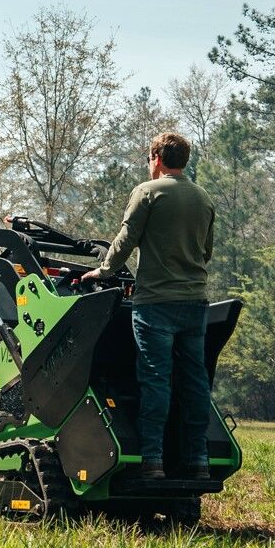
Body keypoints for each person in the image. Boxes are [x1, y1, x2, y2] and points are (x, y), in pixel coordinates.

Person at [81, 131, 216, 479]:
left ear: (156, 159)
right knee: (195, 381)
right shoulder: (203, 197)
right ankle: (198, 460)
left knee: (156, 379)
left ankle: (152, 460)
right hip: (195, 303)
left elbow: (126, 240)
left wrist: (103, 271)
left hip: (155, 303)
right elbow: (206, 252)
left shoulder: (147, 192)